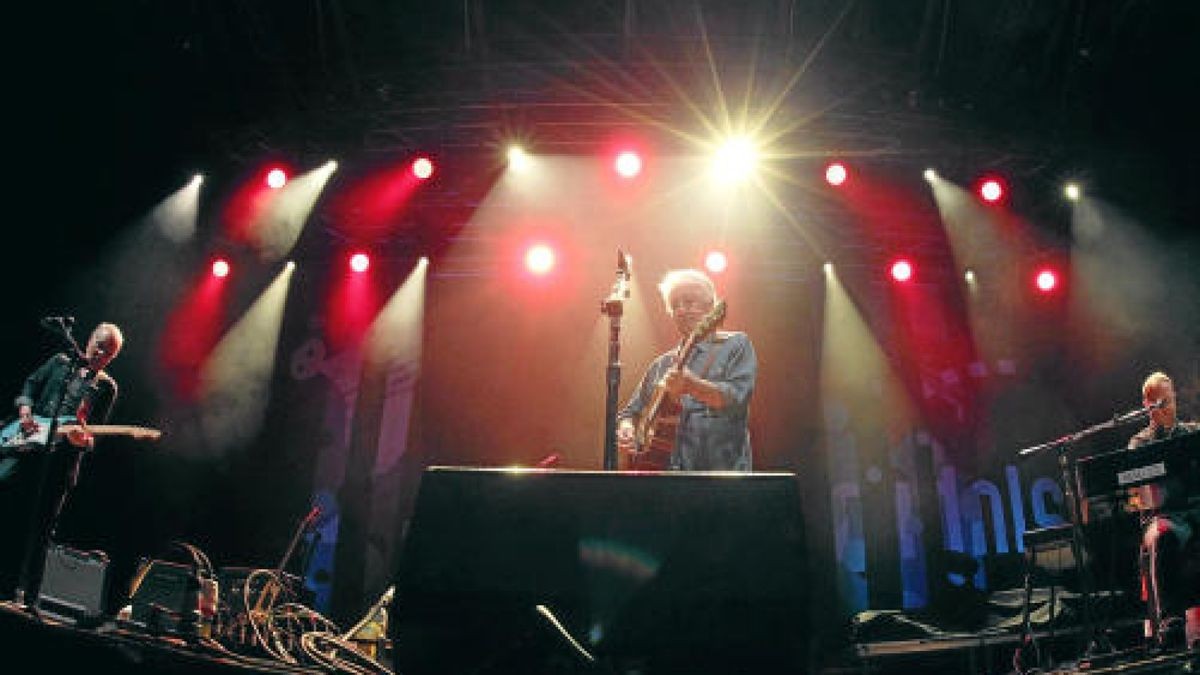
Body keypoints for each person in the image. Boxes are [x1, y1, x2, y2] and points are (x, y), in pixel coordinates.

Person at [0, 322, 123, 604]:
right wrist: (25, 410)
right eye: (99, 345)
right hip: (27, 447)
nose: (100, 354)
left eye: (108, 353)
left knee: (41, 530)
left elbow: (93, 434)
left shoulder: (105, 387)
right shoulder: (61, 362)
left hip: (60, 462)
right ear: (90, 339)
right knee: (8, 507)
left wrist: (83, 441)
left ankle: (29, 599)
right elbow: (31, 383)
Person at [616, 269, 756, 471]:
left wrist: (692, 386)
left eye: (689, 302)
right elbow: (629, 413)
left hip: (721, 479)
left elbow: (736, 398)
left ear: (711, 308)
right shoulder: (661, 364)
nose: (681, 310)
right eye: (674, 305)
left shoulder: (735, 344)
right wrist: (626, 428)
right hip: (664, 480)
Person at [1126, 371, 1200, 650]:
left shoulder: (1193, 433)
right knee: (1163, 535)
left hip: (1195, 510)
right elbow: (1140, 484)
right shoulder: (1139, 443)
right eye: (1161, 402)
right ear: (1148, 405)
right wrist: (1168, 465)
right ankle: (1171, 623)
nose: (1168, 407)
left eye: (1170, 401)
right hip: (1163, 515)